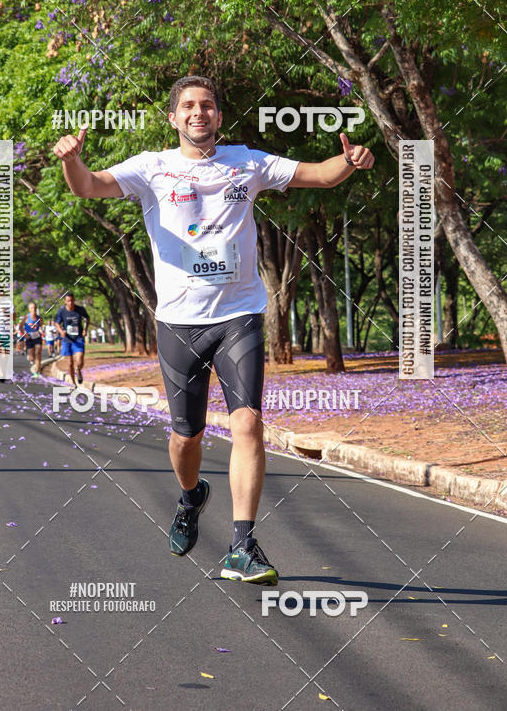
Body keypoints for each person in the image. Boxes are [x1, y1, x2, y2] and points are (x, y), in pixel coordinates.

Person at [53, 75, 374, 584]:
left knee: (248, 424)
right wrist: (72, 159)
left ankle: (242, 545)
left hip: (238, 314)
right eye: (188, 106)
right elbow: (89, 188)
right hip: (179, 323)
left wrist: (352, 162)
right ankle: (190, 496)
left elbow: (321, 175)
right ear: (173, 117)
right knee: (187, 437)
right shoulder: (150, 168)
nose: (198, 112)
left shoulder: (247, 162)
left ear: (219, 117)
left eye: (207, 105)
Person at [54, 292, 89, 386]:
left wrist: (85, 329)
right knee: (70, 363)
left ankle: (78, 370)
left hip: (78, 338)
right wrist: (61, 331)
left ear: (74, 300)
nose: (70, 303)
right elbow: (56, 323)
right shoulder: (61, 311)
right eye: (68, 301)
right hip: (67, 339)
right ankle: (73, 383)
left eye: (72, 300)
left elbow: (87, 318)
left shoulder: (80, 309)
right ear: (65, 301)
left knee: (80, 360)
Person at [21, 301, 43, 377]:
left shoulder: (39, 318)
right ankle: (30, 357)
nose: (33, 309)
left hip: (37, 338)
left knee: (38, 353)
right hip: (29, 338)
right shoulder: (26, 317)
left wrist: (41, 330)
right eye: (32, 308)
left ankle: (37, 371)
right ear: (29, 309)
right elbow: (21, 327)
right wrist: (25, 334)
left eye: (34, 307)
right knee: (31, 358)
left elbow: (41, 326)